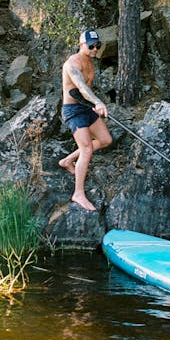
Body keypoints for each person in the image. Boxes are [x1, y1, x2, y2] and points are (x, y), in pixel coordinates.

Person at [59, 29, 112, 211]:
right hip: (73, 110)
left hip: (85, 107)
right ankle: (78, 193)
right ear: (81, 44)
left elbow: (86, 90)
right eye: (91, 46)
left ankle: (67, 161)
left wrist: (94, 104)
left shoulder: (90, 62)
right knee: (87, 148)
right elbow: (81, 87)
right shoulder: (71, 64)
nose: (95, 49)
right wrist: (98, 101)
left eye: (98, 46)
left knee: (105, 140)